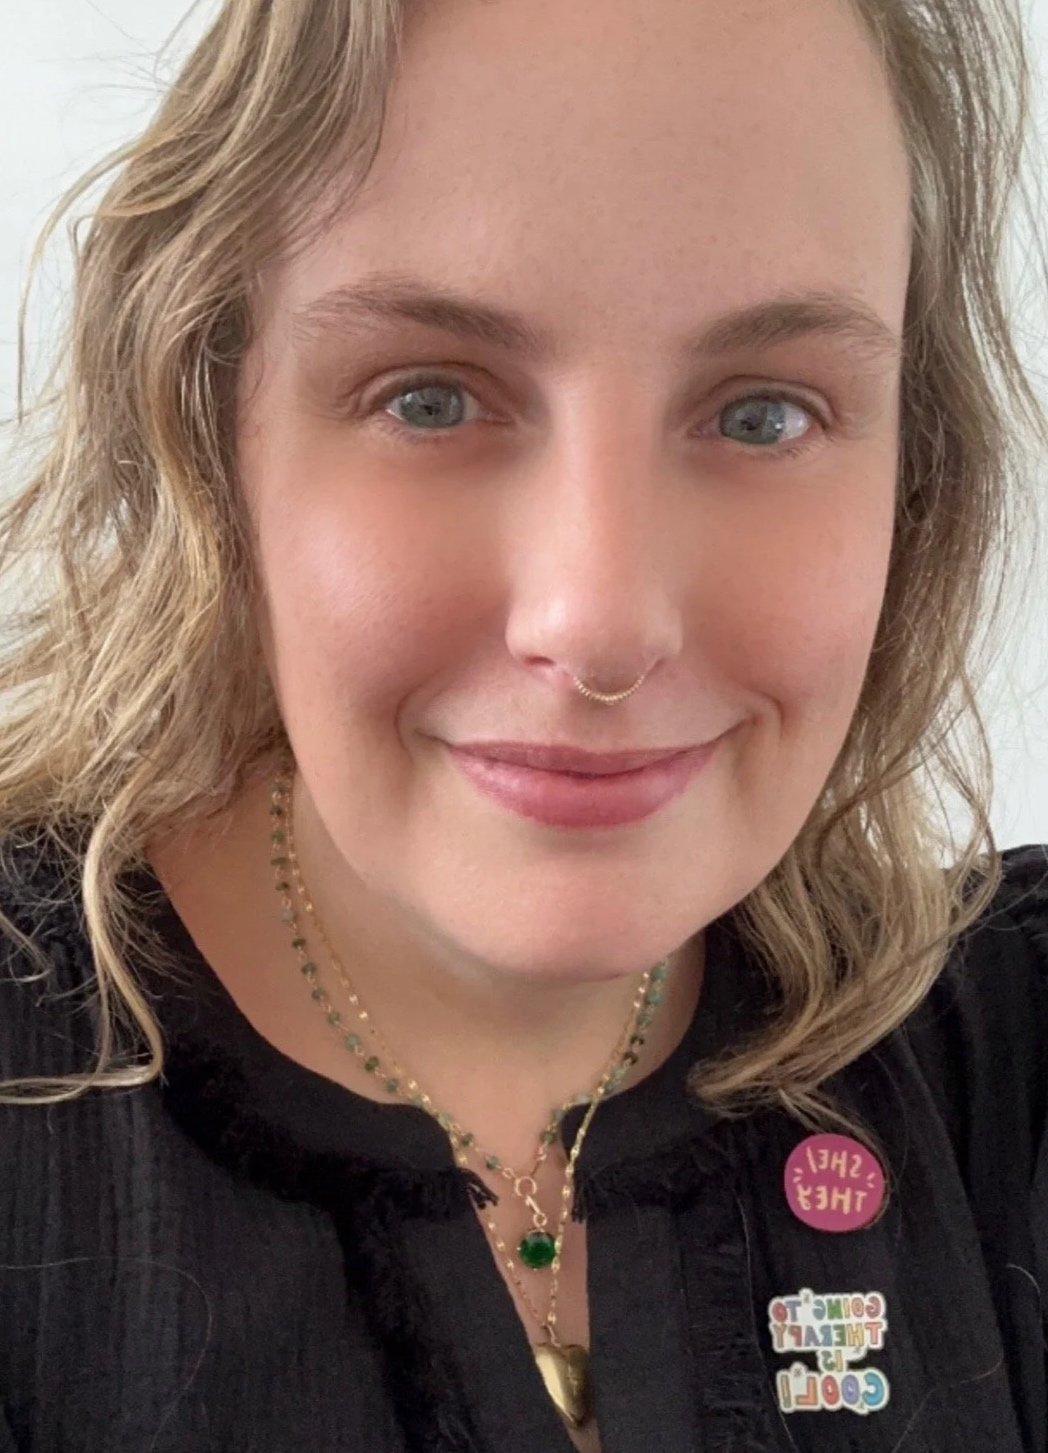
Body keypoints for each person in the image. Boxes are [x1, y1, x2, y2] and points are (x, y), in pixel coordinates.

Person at [0, 0, 1046, 1448]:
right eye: (431, 396)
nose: (603, 620)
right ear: (213, 419)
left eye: (763, 416)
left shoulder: (1002, 1069)